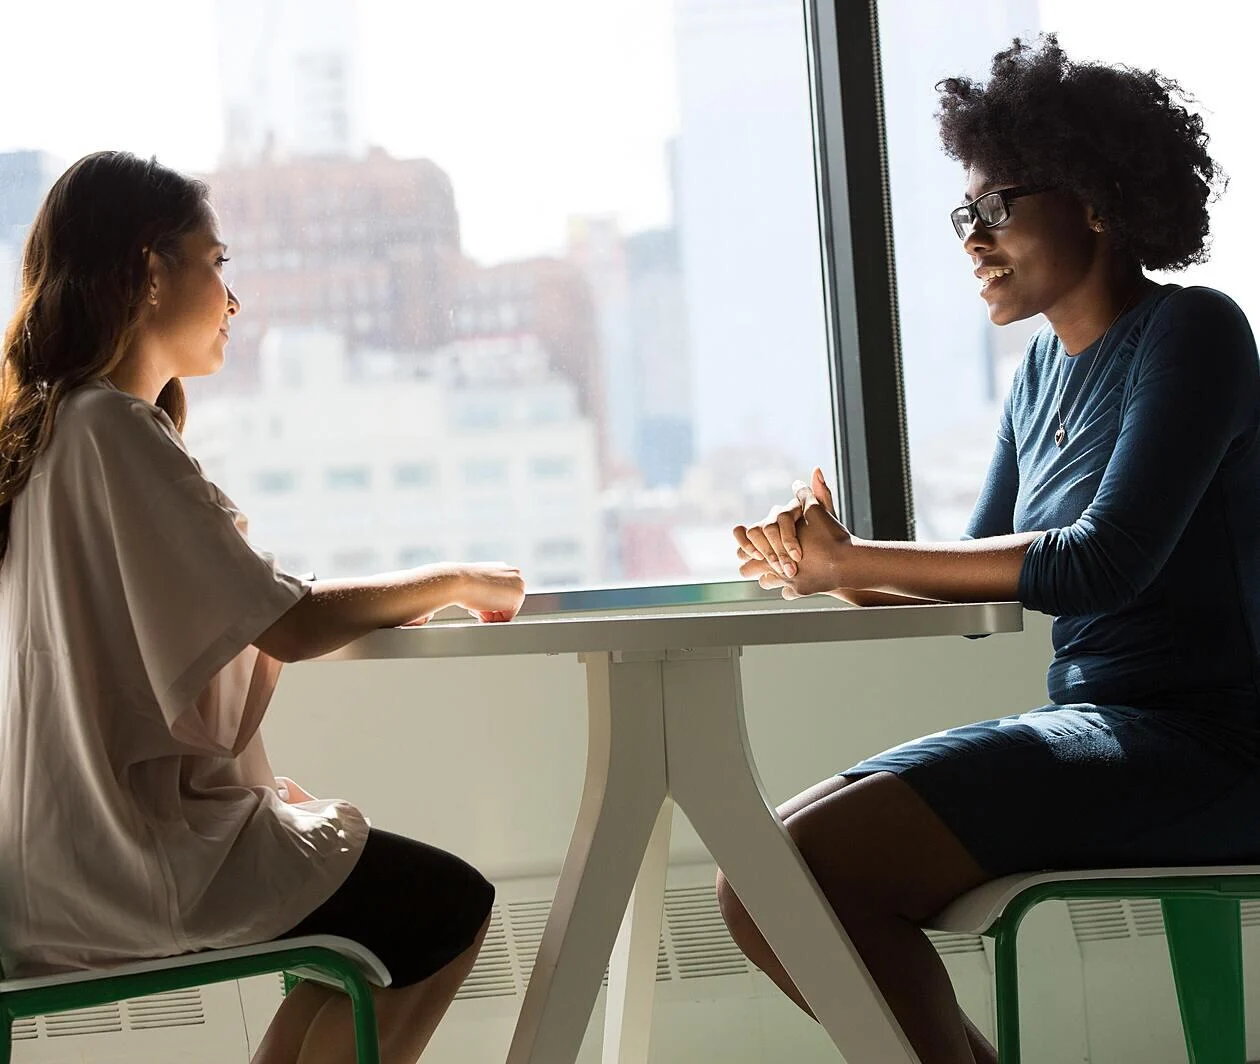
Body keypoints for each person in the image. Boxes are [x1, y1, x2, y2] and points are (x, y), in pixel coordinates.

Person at [723, 35, 1260, 1064]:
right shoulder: (1037, 381)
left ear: (1096, 199)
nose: (972, 239)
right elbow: (980, 590)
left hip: (1214, 744)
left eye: (993, 207)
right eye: (963, 215)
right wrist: (823, 568)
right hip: (1102, 726)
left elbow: (1101, 562)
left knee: (794, 873)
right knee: (759, 879)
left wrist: (858, 558)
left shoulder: (1195, 334)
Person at [0, 150, 527, 1064]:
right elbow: (285, 618)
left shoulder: (46, 431)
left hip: (48, 860)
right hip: (122, 864)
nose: (233, 300)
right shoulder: (110, 429)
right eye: (218, 263)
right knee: (445, 908)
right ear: (150, 268)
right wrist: (454, 579)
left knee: (360, 938)